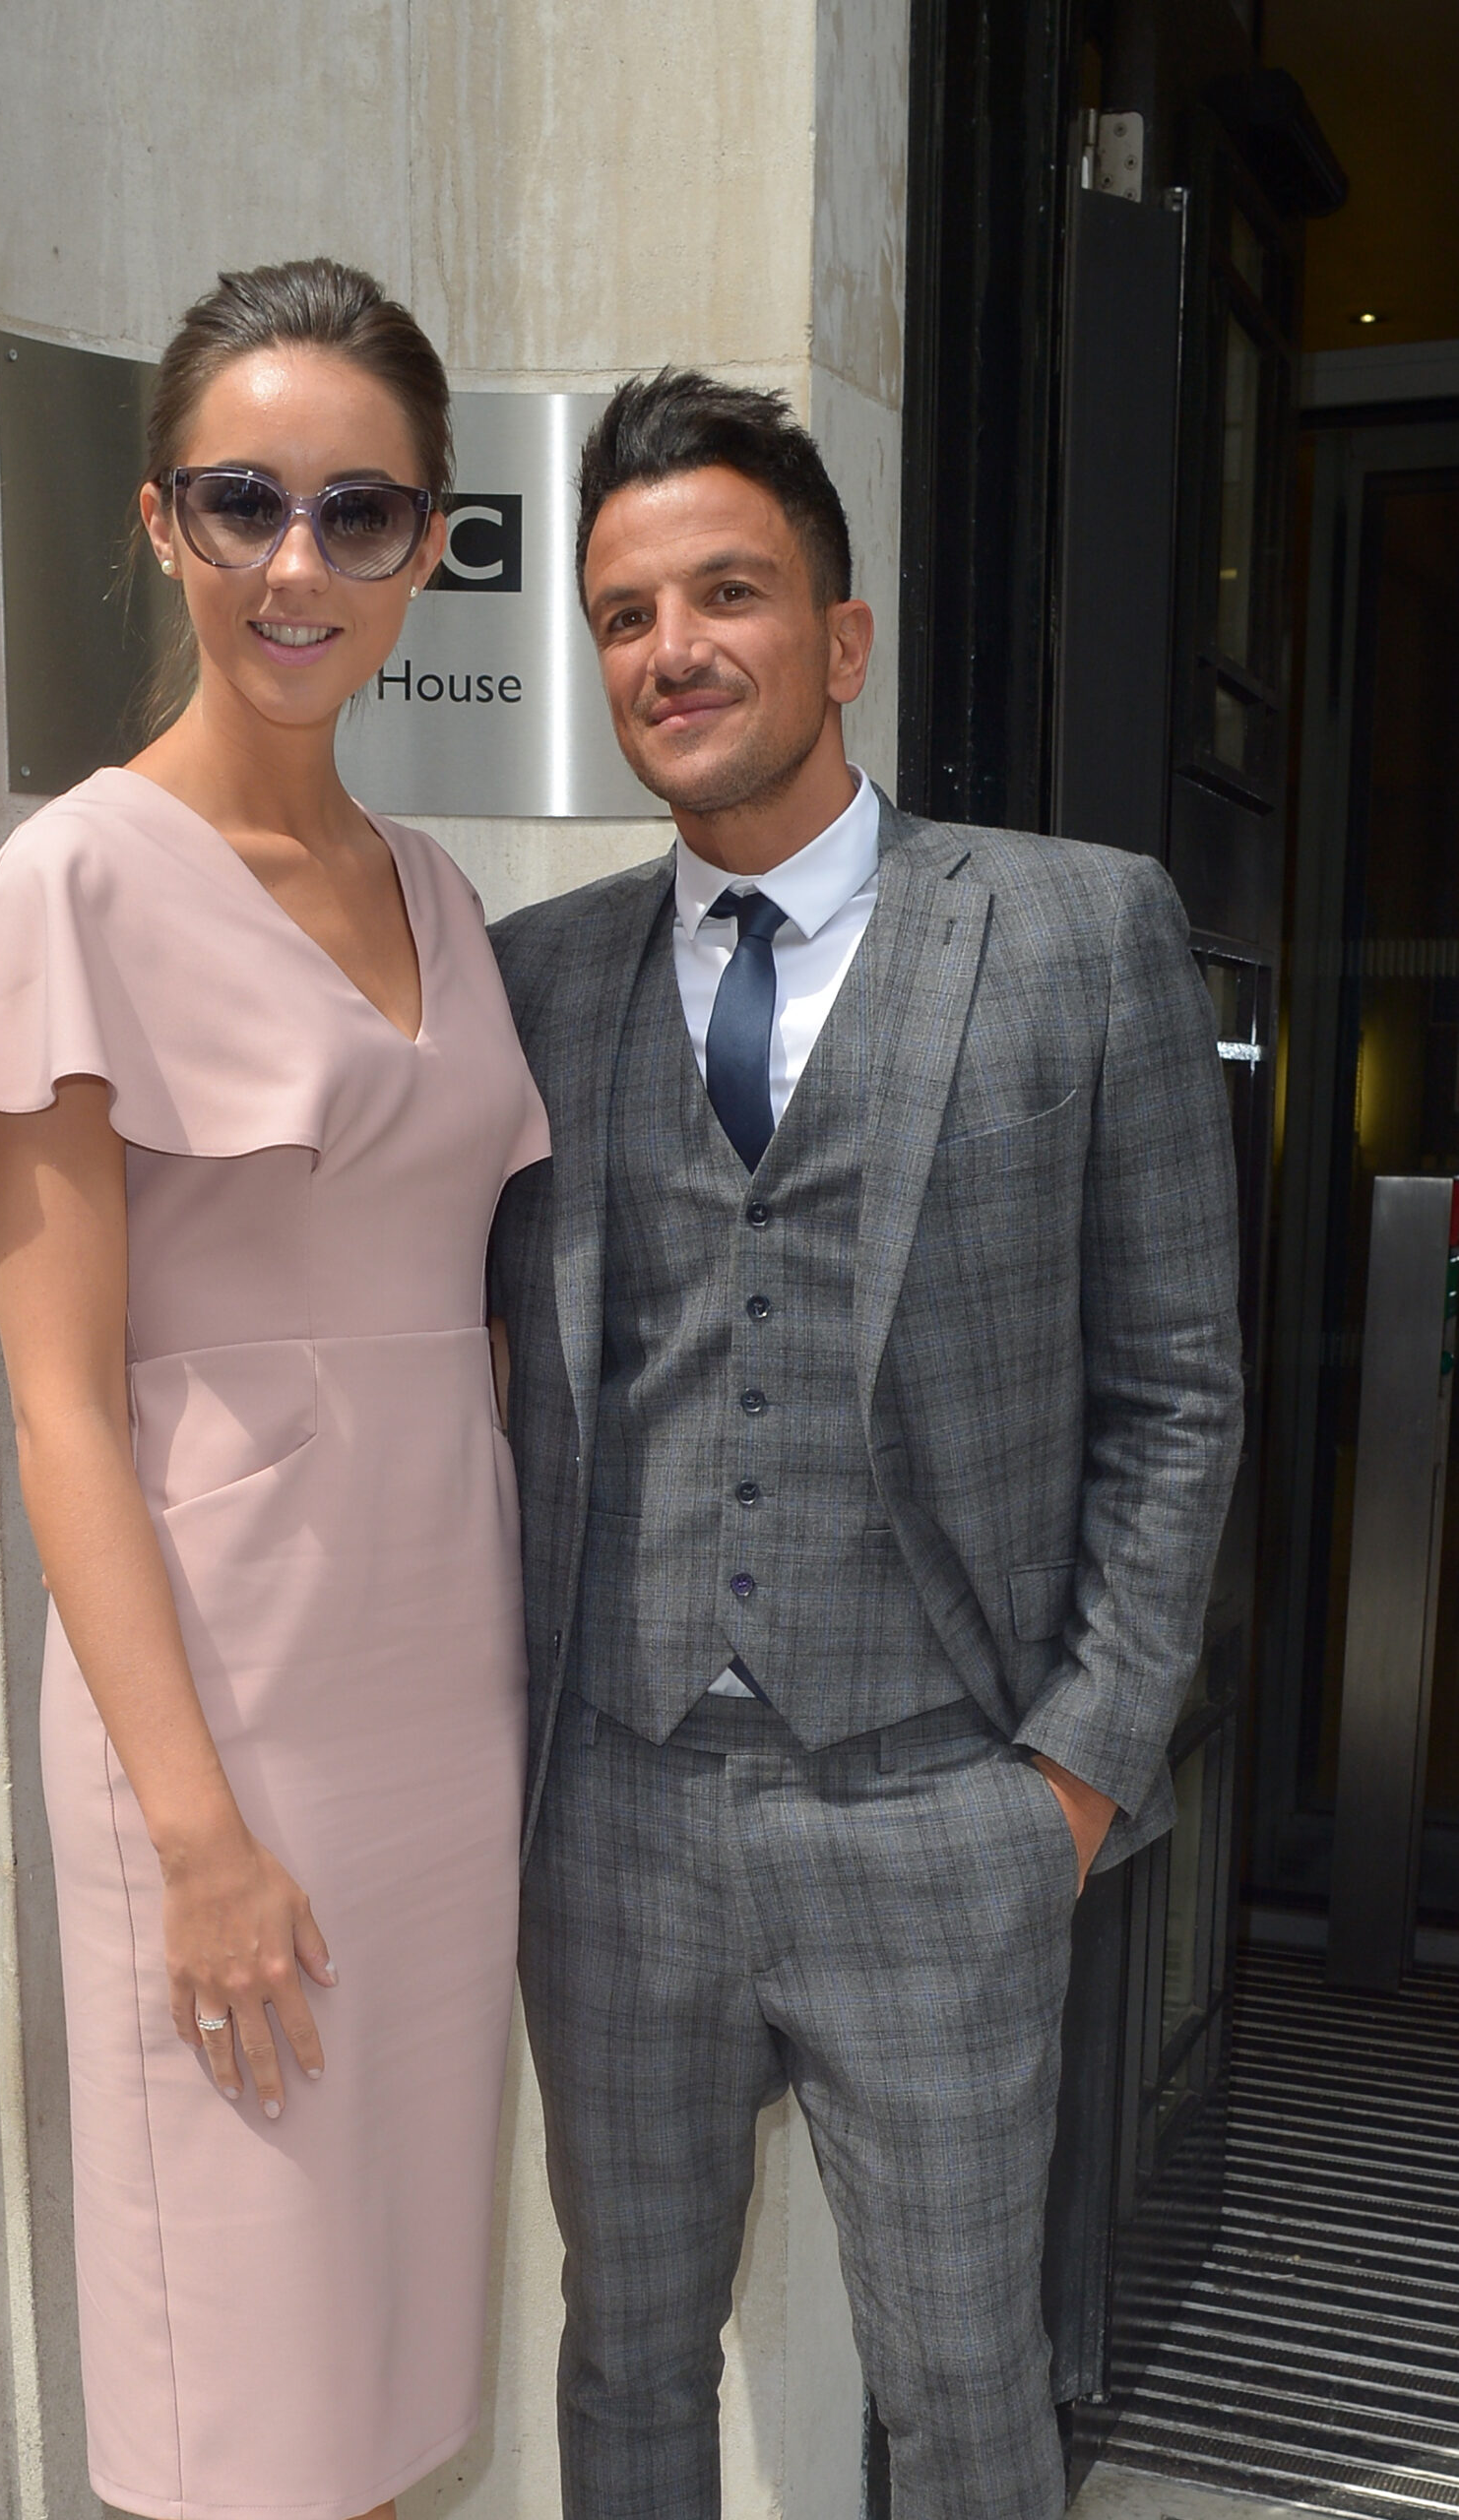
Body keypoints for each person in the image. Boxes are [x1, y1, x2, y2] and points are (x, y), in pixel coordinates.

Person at [487, 370, 1243, 2520]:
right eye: (627, 613)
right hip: (614, 1816)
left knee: (959, 2382)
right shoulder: (537, 979)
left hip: (944, 1805)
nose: (674, 648)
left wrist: (1070, 1774)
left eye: (727, 591)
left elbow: (1182, 1385)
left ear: (842, 634)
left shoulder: (1076, 928)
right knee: (626, 2351)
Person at [0, 260, 547, 2520]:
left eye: (361, 513)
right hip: (227, 1739)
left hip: (437, 1731)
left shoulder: (443, 893)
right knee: (235, 2418)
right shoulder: (74, 876)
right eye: (245, 500)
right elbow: (63, 1410)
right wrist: (196, 1838)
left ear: (430, 545)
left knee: (371, 2391)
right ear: (163, 520)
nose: (299, 563)